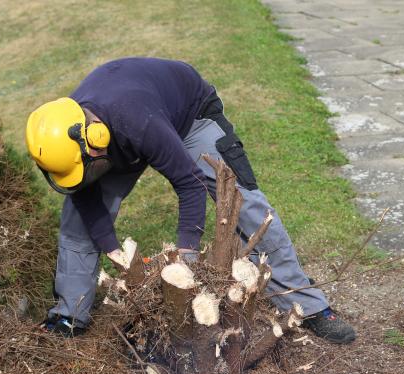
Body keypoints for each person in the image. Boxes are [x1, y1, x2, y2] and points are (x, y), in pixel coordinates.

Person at [25, 57, 356, 343]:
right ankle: (69, 316)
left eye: (82, 168)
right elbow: (83, 195)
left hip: (189, 115)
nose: (81, 176)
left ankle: (309, 306)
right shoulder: (66, 136)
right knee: (76, 221)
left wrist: (185, 256)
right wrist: (113, 249)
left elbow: (189, 184)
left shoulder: (137, 122)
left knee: (242, 199)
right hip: (125, 128)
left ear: (93, 136)